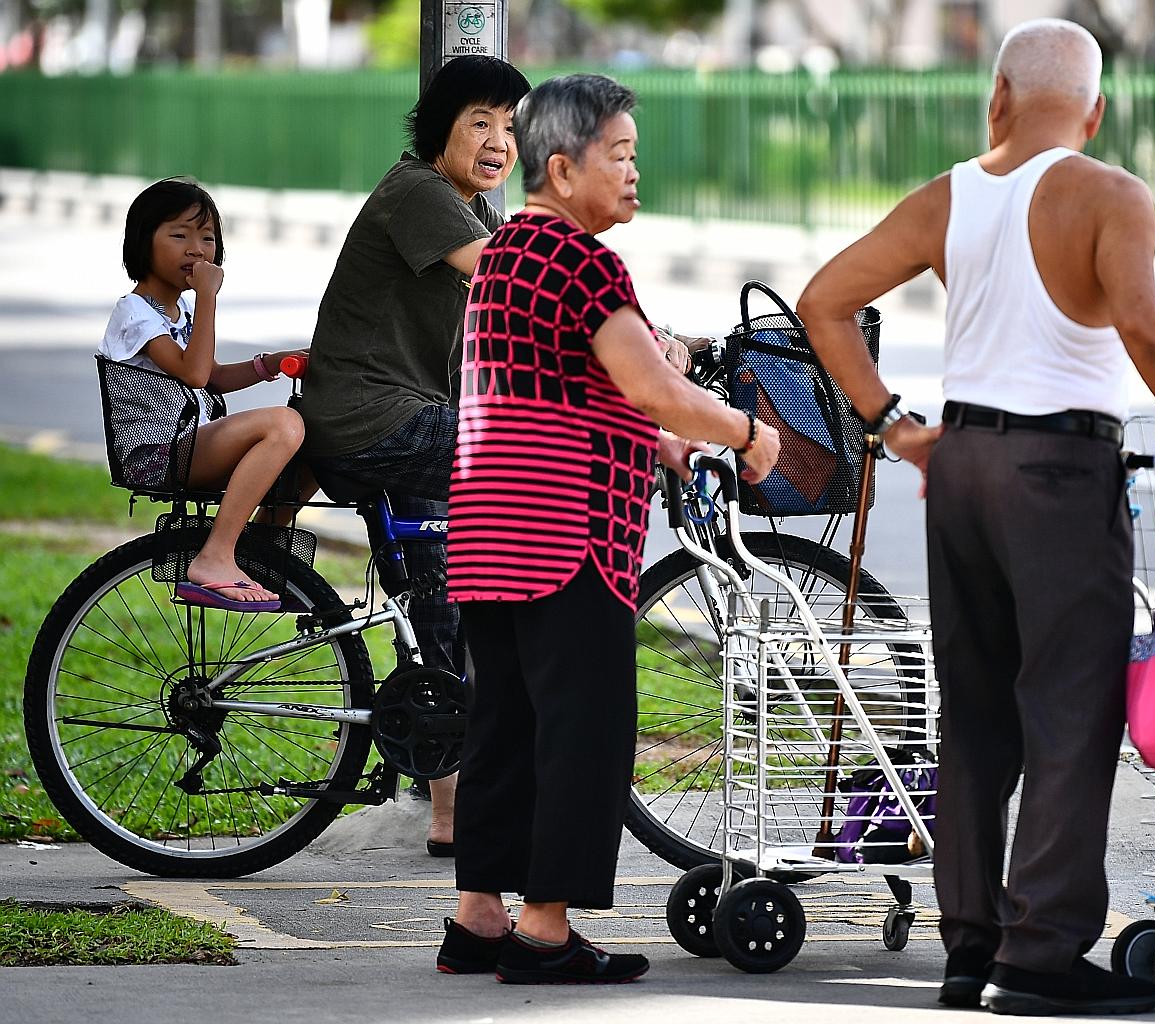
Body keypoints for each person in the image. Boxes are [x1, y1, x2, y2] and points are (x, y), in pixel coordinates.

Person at [796, 18, 1155, 1018]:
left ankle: (969, 947)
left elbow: (823, 300)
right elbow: (1143, 325)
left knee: (972, 713)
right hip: (1061, 468)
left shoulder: (949, 196)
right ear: (1095, 112)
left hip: (959, 464)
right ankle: (1040, 955)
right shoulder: (1110, 193)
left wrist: (890, 423)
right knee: (1067, 708)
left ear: (996, 98)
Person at [435, 73, 780, 985]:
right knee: (584, 728)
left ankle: (477, 917)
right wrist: (746, 431)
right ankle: (544, 931)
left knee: (504, 724)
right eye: (619, 157)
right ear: (562, 166)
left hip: (488, 528)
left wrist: (661, 442)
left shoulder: (508, 249)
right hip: (565, 532)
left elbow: (562, 383)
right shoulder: (583, 260)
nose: (634, 173)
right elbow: (654, 382)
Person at [298, 55, 533, 855]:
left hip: (410, 418)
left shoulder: (471, 209)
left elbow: (520, 321)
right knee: (531, 467)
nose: (499, 141)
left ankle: (449, 813)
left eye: (509, 125)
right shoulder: (419, 194)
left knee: (445, 600)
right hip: (375, 421)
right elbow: (516, 284)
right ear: (439, 126)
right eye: (481, 122)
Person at [100, 177, 309, 612]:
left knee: (320, 437)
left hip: (185, 446)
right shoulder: (134, 311)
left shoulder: (182, 308)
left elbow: (210, 375)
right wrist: (209, 297)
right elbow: (194, 375)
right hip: (155, 452)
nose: (196, 248)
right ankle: (216, 555)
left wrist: (268, 365)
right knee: (284, 424)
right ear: (144, 242)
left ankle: (258, 550)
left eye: (208, 238)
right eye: (179, 235)